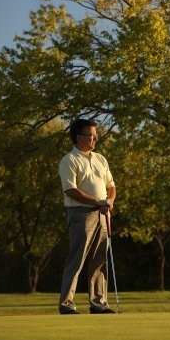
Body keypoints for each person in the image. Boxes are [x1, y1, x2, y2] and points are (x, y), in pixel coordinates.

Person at [57, 118, 117, 315]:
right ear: (78, 137)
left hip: (102, 213)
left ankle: (99, 303)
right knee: (77, 259)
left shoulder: (101, 159)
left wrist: (109, 201)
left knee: (100, 259)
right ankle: (66, 304)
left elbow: (111, 186)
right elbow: (71, 190)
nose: (94, 139)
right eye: (90, 136)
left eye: (95, 135)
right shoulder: (69, 160)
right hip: (80, 214)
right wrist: (97, 202)